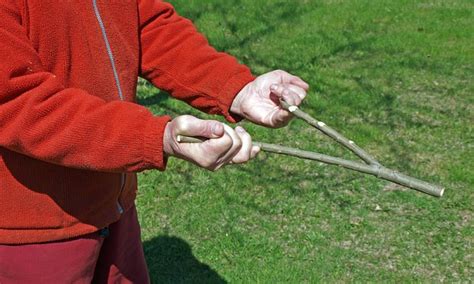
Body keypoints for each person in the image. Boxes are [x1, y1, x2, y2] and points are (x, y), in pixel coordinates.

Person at [0, 0, 308, 282]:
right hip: (33, 231)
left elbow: (145, 24)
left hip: (113, 200)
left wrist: (235, 87)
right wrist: (151, 137)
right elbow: (16, 100)